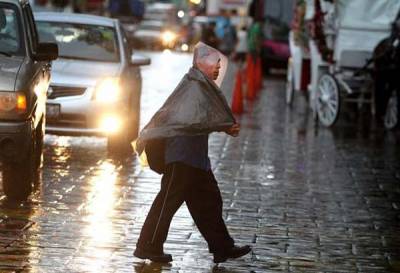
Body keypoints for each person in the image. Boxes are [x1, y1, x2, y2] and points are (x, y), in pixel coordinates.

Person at [133, 43, 252, 264]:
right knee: (167, 203)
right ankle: (147, 246)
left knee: (209, 201)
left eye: (218, 65)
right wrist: (223, 126)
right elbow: (194, 120)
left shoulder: (200, 85)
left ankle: (222, 247)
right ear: (201, 64)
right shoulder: (193, 87)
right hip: (182, 157)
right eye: (214, 65)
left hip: (196, 159)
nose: (217, 69)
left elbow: (201, 117)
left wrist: (223, 126)